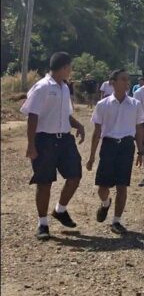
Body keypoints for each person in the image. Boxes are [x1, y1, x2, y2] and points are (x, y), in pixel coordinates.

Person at [20, 52, 86, 240]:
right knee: (44, 182)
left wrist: (78, 125)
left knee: (75, 176)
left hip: (65, 139)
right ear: (64, 67)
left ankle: (60, 210)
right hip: (45, 140)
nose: (71, 70)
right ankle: (42, 224)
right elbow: (32, 116)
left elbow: (65, 114)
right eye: (70, 67)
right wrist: (31, 145)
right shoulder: (42, 87)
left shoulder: (64, 88)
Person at [85, 68, 144, 235]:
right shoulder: (102, 105)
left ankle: (117, 221)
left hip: (126, 146)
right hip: (109, 145)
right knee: (102, 186)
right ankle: (105, 203)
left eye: (128, 80)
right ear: (112, 82)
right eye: (123, 79)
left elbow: (139, 128)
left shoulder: (135, 104)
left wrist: (140, 151)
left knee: (122, 185)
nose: (127, 83)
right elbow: (97, 132)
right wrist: (91, 157)